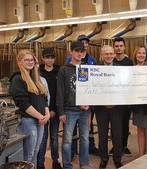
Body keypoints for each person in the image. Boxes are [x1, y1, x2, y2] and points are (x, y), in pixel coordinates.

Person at [9, 50, 50, 167]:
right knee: (28, 155)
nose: (30, 62)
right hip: (28, 121)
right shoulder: (18, 79)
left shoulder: (36, 80)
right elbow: (23, 103)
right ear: (20, 62)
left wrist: (46, 115)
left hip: (41, 121)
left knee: (36, 152)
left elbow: (44, 99)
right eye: (27, 60)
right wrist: (40, 116)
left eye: (32, 60)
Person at [56, 41, 90, 169]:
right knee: (67, 140)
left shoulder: (85, 68)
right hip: (69, 110)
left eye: (82, 51)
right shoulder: (64, 69)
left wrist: (89, 104)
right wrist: (61, 111)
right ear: (71, 52)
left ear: (84, 53)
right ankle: (67, 166)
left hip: (84, 110)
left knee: (85, 138)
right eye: (77, 51)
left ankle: (84, 164)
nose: (79, 53)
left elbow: (89, 89)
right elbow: (60, 91)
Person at [66, 35, 98, 158]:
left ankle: (91, 147)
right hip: (73, 102)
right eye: (81, 43)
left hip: (88, 100)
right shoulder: (69, 59)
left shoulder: (92, 60)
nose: (84, 45)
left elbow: (95, 79)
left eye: (86, 43)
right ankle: (72, 150)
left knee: (88, 127)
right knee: (72, 129)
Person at [95, 45, 124, 169]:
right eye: (106, 54)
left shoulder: (121, 69)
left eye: (111, 54)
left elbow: (124, 87)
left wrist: (116, 102)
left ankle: (117, 159)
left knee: (117, 134)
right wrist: (102, 102)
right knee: (102, 134)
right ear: (101, 56)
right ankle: (104, 159)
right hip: (101, 108)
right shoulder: (95, 70)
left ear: (114, 55)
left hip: (117, 108)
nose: (109, 56)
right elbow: (93, 88)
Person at [37, 48, 62, 169]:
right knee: (43, 138)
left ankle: (55, 162)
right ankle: (40, 164)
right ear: (43, 58)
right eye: (47, 57)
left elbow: (60, 93)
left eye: (52, 57)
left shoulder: (59, 71)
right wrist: (45, 110)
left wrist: (55, 110)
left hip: (55, 110)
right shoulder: (38, 72)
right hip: (42, 111)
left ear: (54, 58)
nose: (50, 60)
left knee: (54, 138)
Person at [112, 37, 133, 157]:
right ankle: (115, 146)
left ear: (124, 47)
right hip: (113, 99)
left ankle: (124, 146)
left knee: (125, 124)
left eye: (121, 46)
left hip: (125, 99)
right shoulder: (110, 60)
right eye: (117, 46)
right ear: (114, 47)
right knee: (114, 124)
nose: (119, 48)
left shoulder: (129, 62)